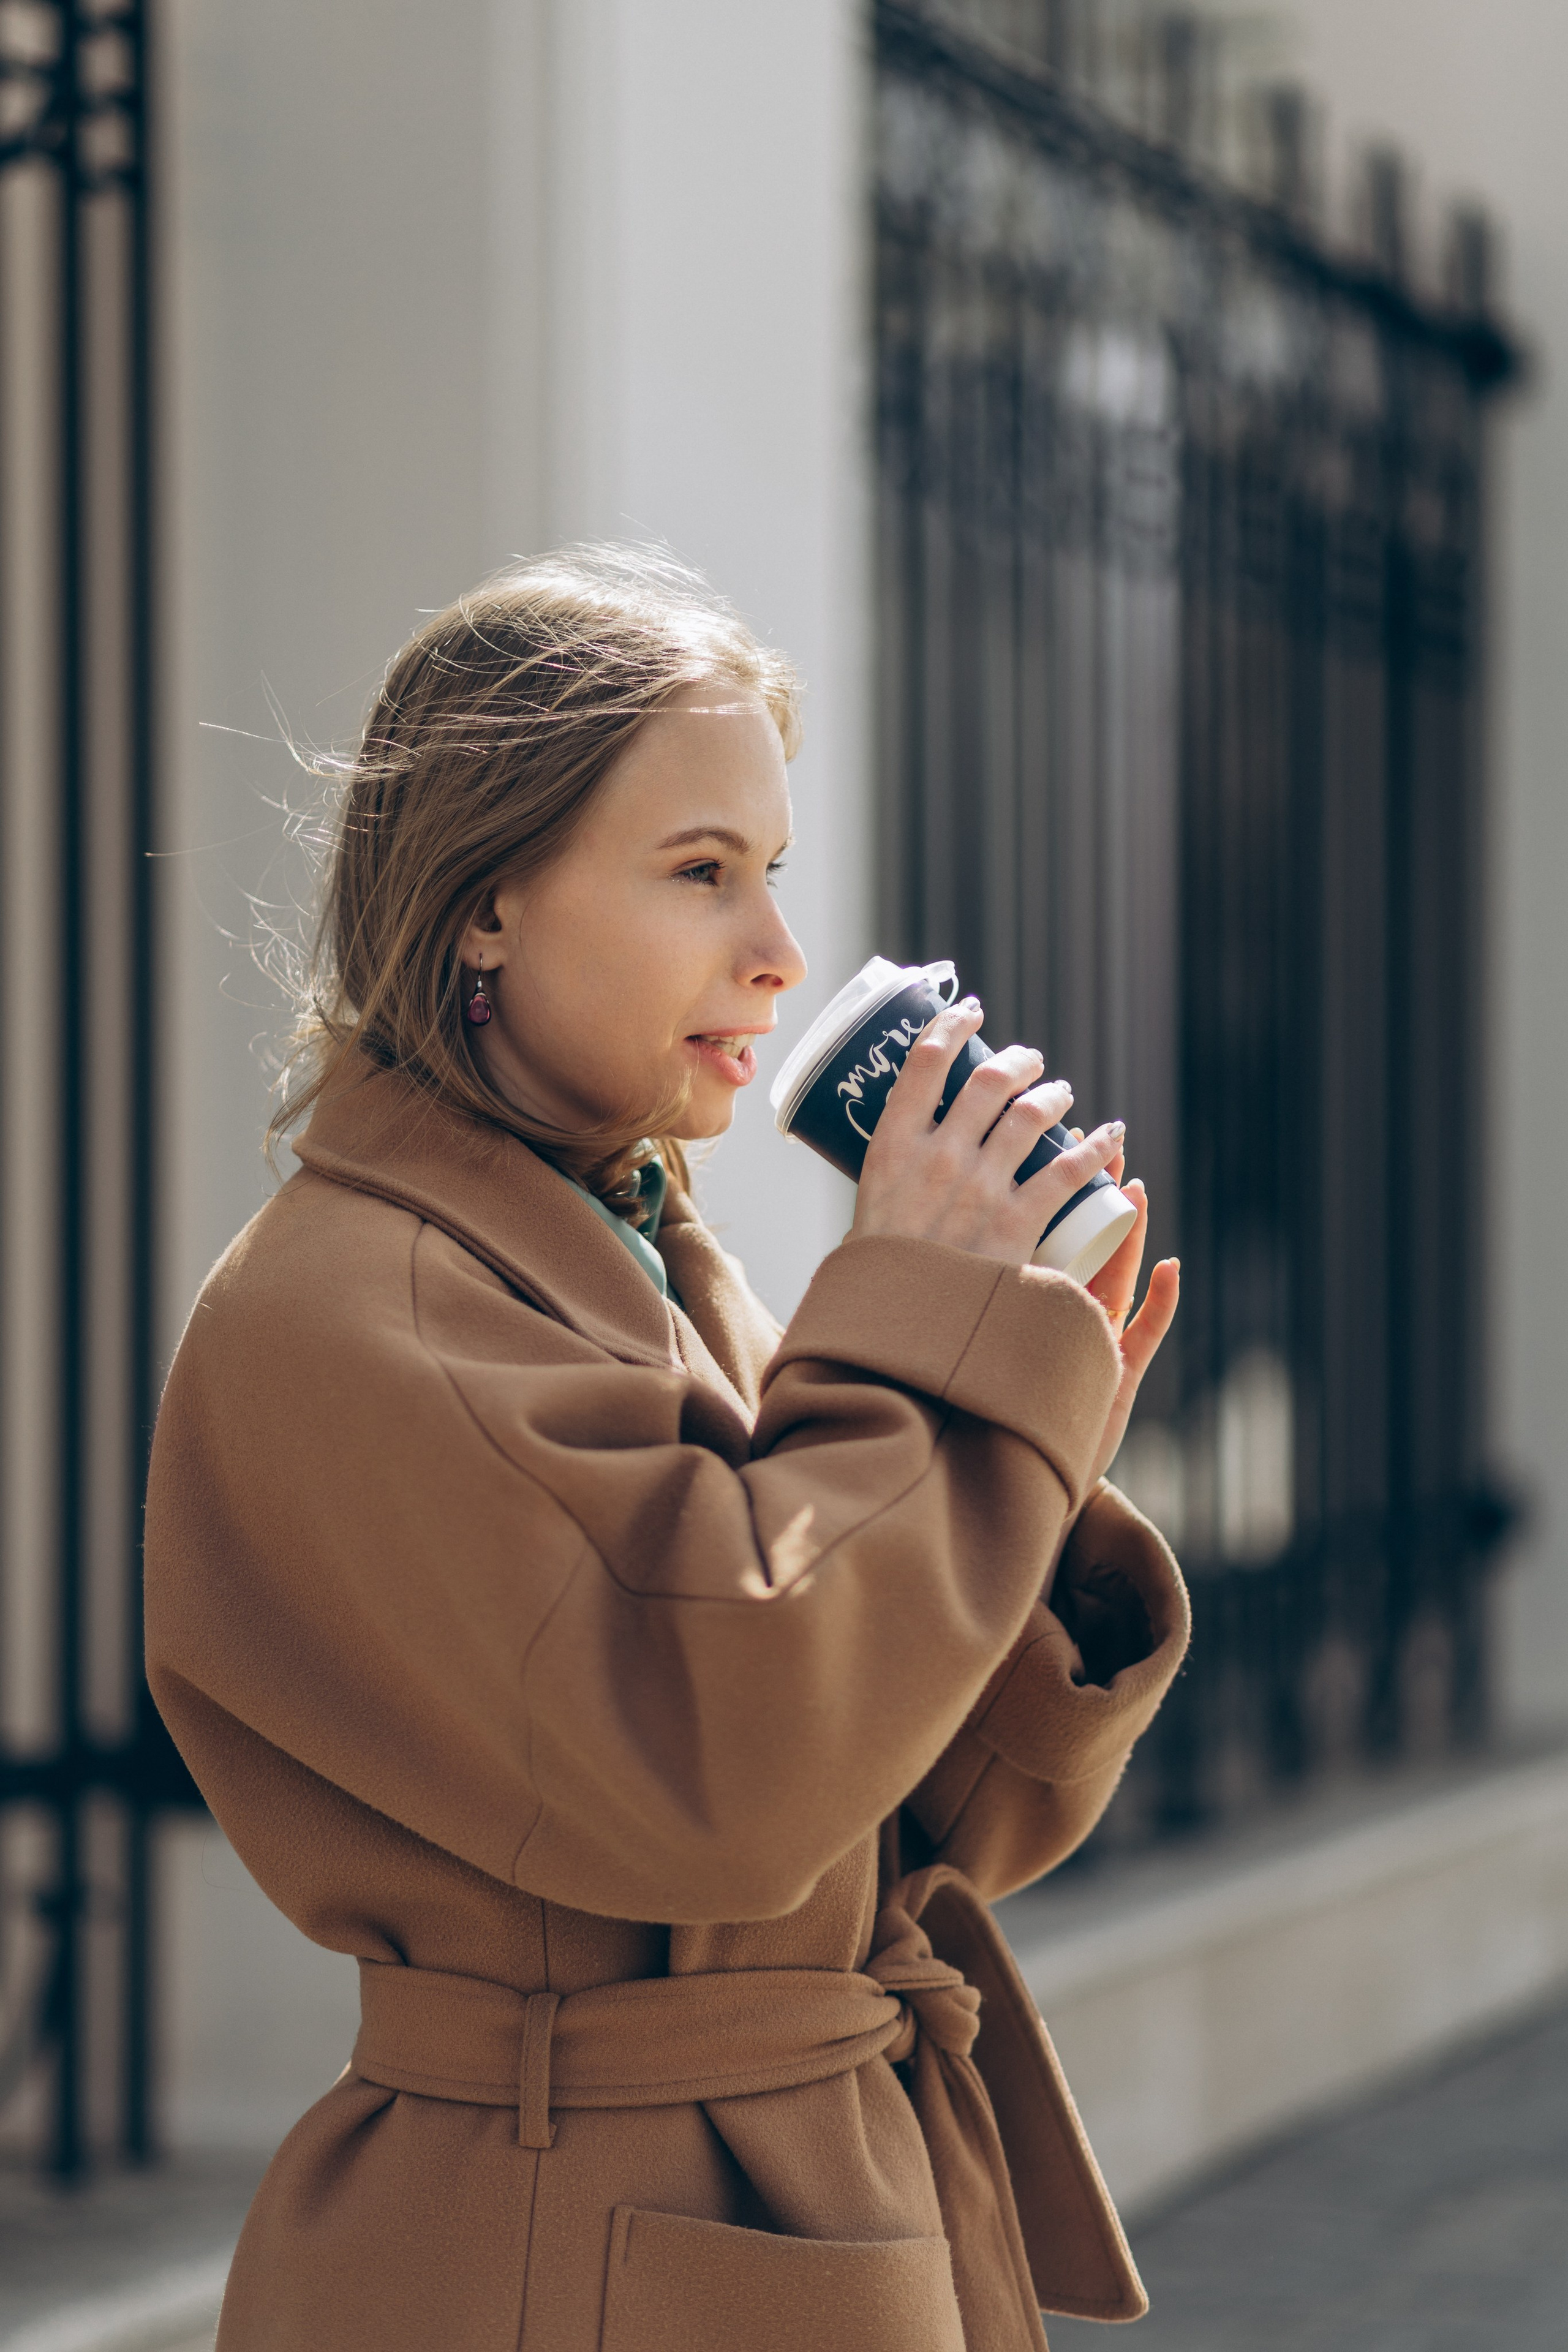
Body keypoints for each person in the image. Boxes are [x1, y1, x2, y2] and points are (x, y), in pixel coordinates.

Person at [145, 546, 1189, 2352]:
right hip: (568, 2244)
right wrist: (918, 1330)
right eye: (700, 873)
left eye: (770, 872)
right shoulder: (353, 1309)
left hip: (764, 2198)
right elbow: (733, 1774)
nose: (779, 951)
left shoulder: (637, 1249)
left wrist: (1027, 1415)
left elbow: (924, 1823)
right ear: (486, 902)